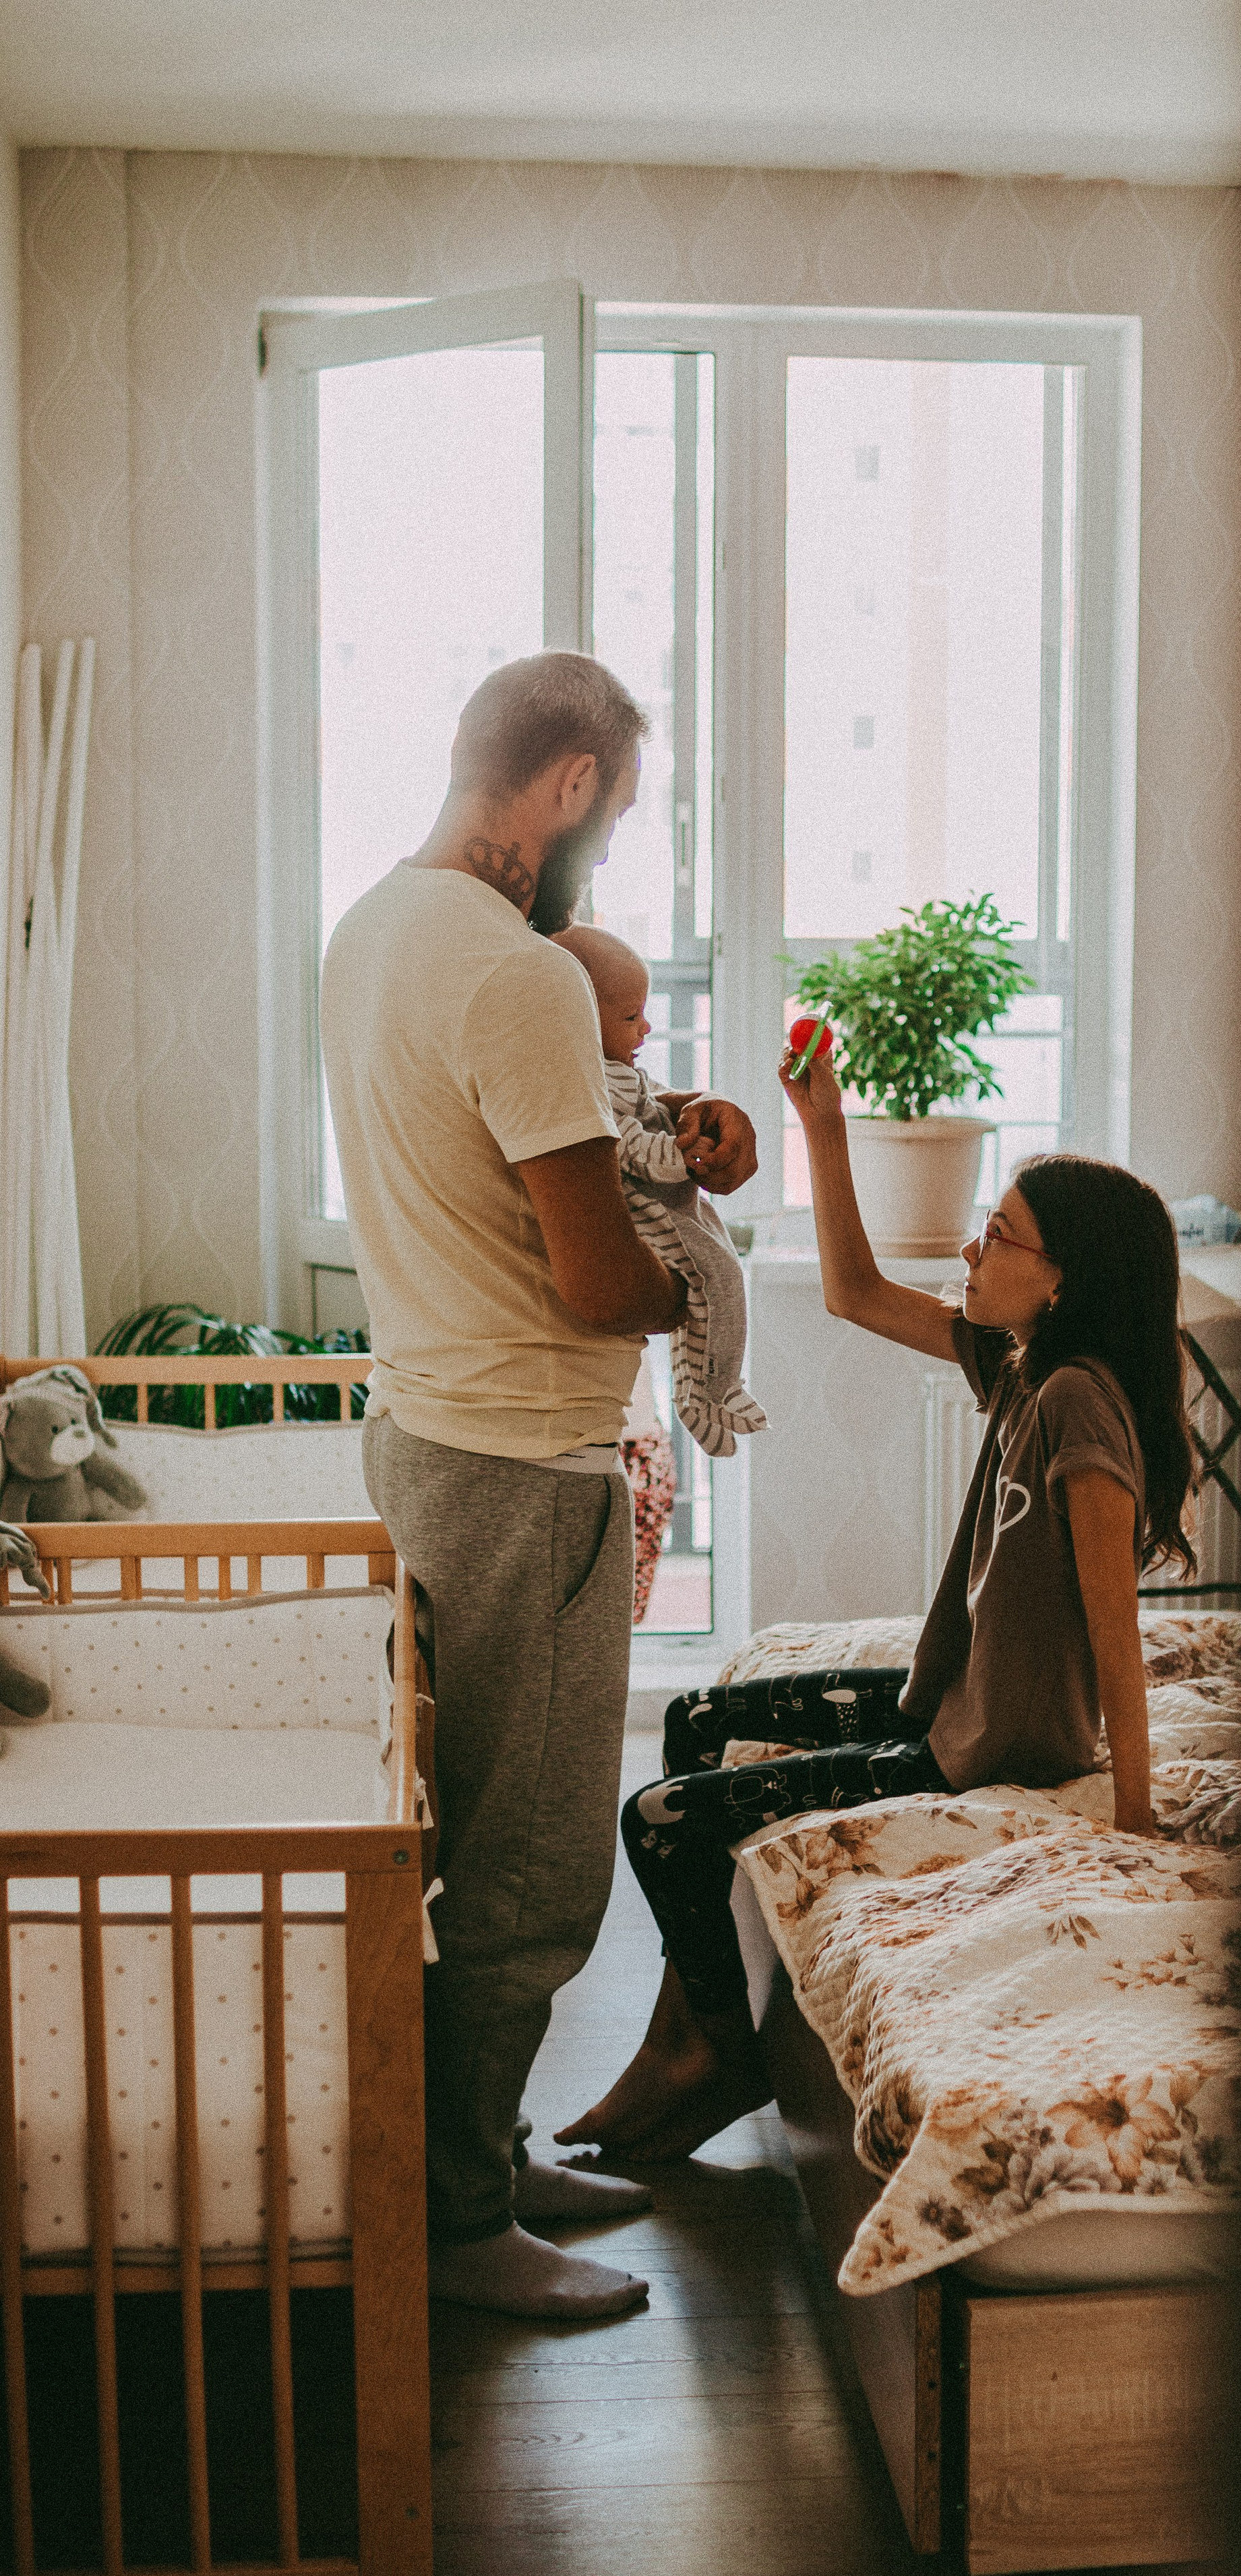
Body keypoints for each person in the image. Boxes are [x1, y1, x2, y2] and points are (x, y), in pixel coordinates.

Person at [320, 651, 760, 2318]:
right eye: (618, 810)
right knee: (524, 1876)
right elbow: (592, 1280)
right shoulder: (516, 973)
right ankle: (452, 2230)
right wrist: (694, 1270)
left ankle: (482, 2156)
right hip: (525, 1464)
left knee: (467, 1834)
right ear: (566, 782)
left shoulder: (370, 930)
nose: (607, 851)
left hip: (429, 1439)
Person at [556, 1038, 1197, 2164]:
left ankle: (711, 2054)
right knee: (699, 1722)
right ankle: (686, 2038)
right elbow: (851, 1292)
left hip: (991, 1746)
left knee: (658, 1820)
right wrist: (823, 1126)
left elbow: (1115, 1634)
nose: (972, 1246)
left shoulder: (1082, 1409)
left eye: (999, 1236)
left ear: (1064, 1279)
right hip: (942, 1700)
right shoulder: (1020, 1365)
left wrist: (1132, 1821)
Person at [550, 923, 767, 1455]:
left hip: (676, 1199)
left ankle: (719, 1384)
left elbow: (649, 1107)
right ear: (579, 1020)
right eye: (630, 1017)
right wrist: (683, 1158)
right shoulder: (586, 1080)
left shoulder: (619, 1069)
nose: (645, 1027)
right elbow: (629, 1145)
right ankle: (703, 1395)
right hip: (651, 1207)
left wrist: (688, 1114)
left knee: (722, 1274)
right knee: (714, 1278)